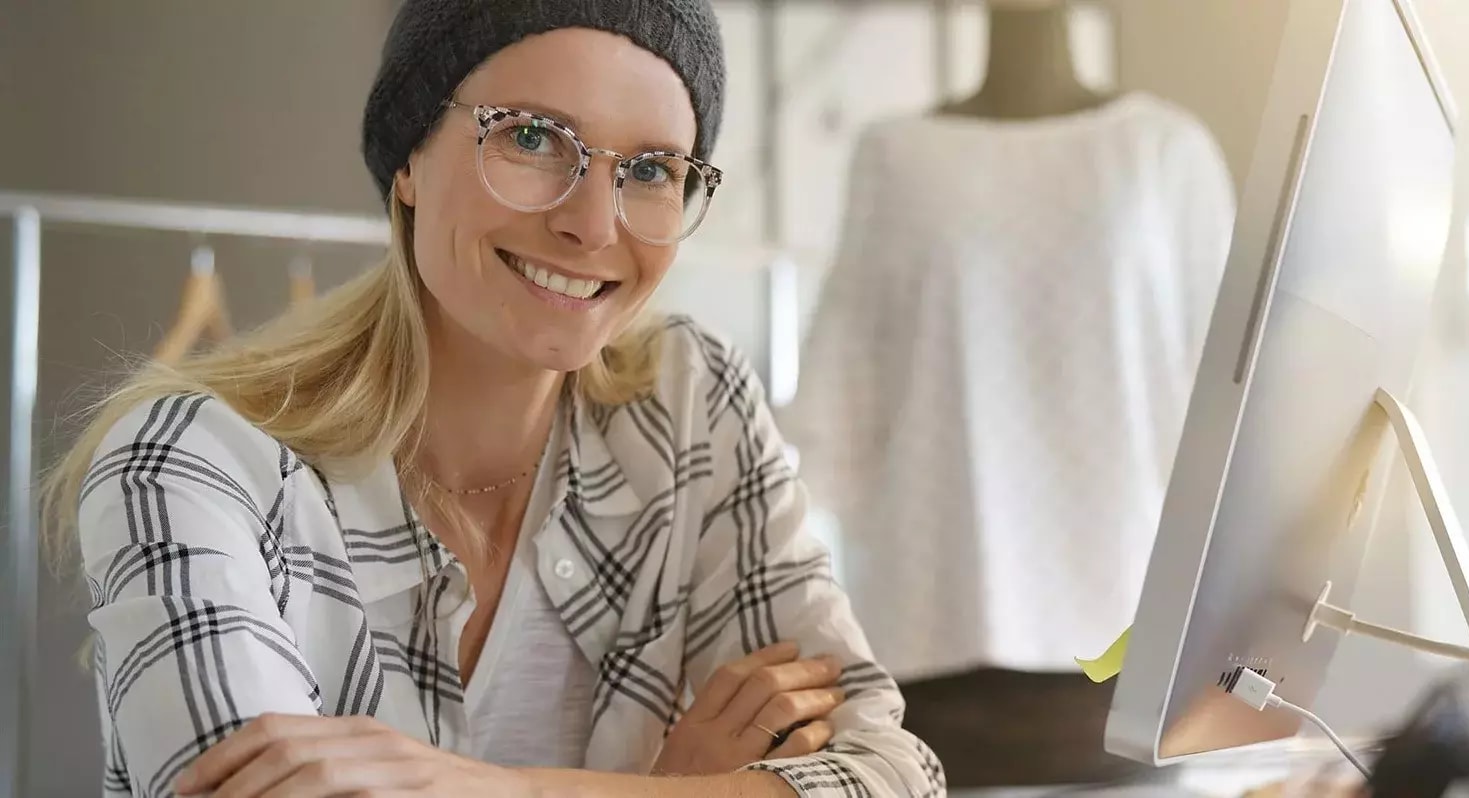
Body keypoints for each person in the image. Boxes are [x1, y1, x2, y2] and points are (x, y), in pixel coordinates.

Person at [43, 1, 944, 795]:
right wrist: (675, 789)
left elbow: (888, 775)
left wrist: (506, 790)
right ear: (409, 158)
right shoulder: (187, 465)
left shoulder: (688, 404)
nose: (593, 225)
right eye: (530, 137)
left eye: (651, 170)